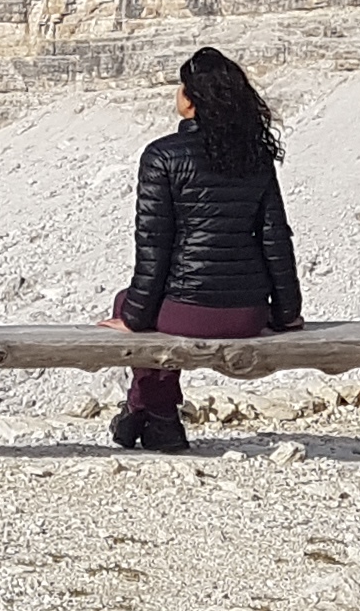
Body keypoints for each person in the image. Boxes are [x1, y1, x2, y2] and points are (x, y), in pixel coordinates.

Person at [108, 46, 302, 452]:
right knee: (138, 309)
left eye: (181, 86)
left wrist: (133, 317)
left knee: (127, 303)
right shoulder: (256, 155)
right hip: (248, 313)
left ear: (191, 99)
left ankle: (157, 415)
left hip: (190, 312)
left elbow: (154, 245)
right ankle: (141, 417)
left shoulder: (163, 156)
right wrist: (287, 314)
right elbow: (274, 239)